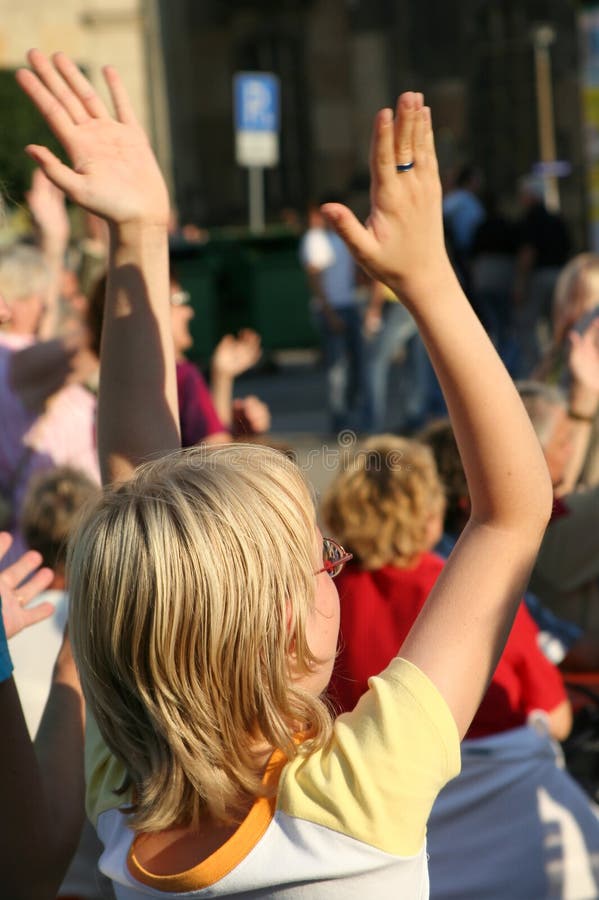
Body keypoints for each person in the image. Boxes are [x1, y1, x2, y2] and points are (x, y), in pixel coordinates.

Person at [14, 51, 552, 898]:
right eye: (320, 558)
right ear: (284, 625)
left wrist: (141, 234)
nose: (333, 562)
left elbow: (138, 484)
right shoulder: (353, 796)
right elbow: (514, 515)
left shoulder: (126, 800)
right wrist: (429, 280)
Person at [322, 434, 571, 741]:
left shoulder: (325, 594)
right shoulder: (468, 583)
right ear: (430, 515)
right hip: (491, 760)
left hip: (369, 765)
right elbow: (557, 717)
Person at [299, 199, 368, 433]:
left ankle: (351, 416)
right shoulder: (314, 239)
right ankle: (340, 422)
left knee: (357, 365)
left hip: (349, 305)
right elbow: (314, 278)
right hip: (332, 309)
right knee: (337, 369)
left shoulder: (338, 238)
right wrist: (328, 312)